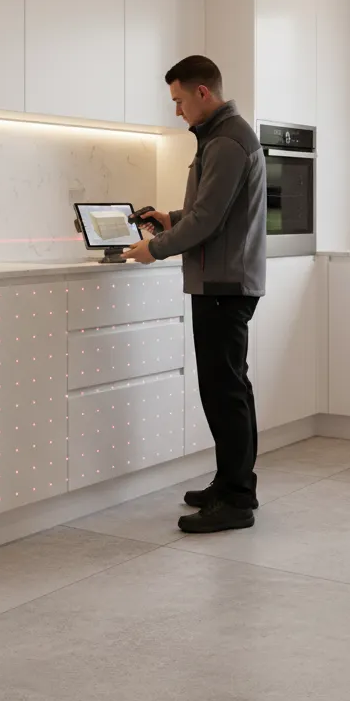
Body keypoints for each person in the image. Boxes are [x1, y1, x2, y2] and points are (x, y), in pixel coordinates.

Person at [124, 55, 266, 534]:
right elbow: (208, 213)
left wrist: (155, 248)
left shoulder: (226, 140)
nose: (177, 111)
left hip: (224, 285)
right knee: (231, 388)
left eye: (179, 101)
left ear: (202, 93)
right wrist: (170, 219)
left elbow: (209, 221)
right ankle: (231, 484)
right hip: (225, 280)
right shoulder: (224, 135)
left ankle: (237, 501)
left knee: (224, 392)